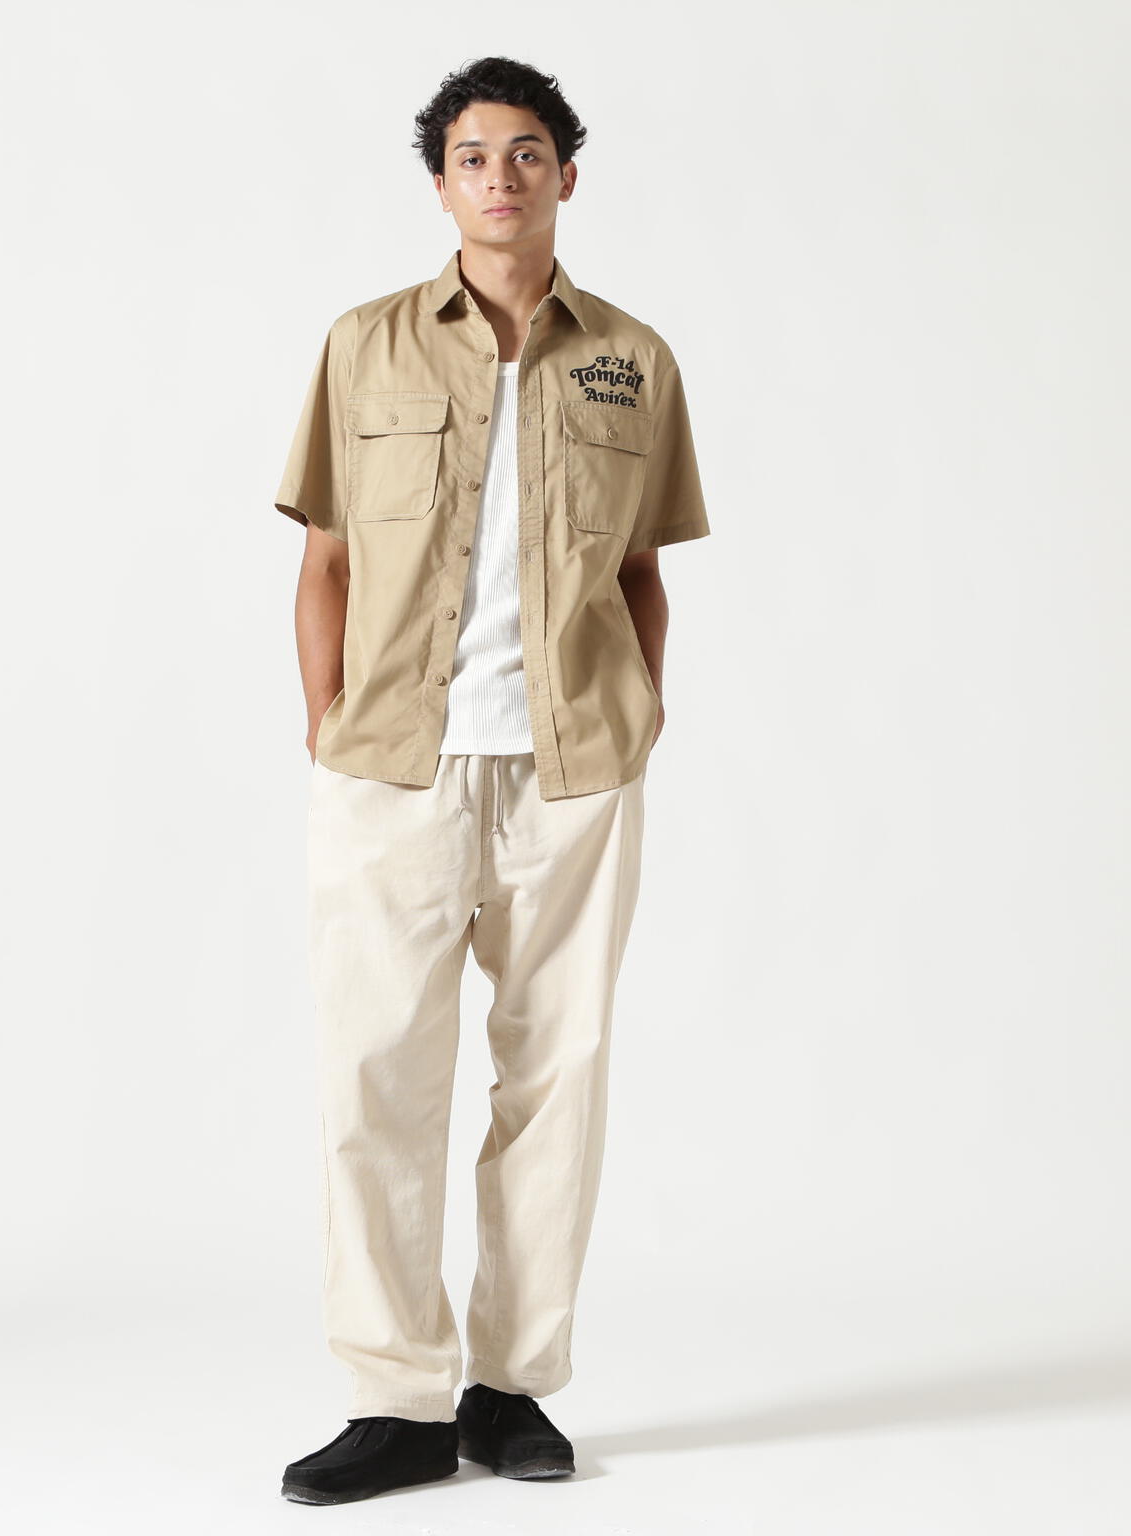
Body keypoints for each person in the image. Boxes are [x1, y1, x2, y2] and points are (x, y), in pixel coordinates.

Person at [271, 55, 711, 1506]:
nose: (501, 177)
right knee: (375, 1076)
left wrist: (636, 720)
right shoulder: (363, 345)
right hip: (391, 768)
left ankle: (508, 1387)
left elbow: (642, 571)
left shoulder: (633, 360)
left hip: (572, 774)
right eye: (474, 156)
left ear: (566, 176)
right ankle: (393, 1401)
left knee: (558, 1077)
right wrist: (330, 725)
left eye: (528, 153)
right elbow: (324, 563)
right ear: (441, 183)